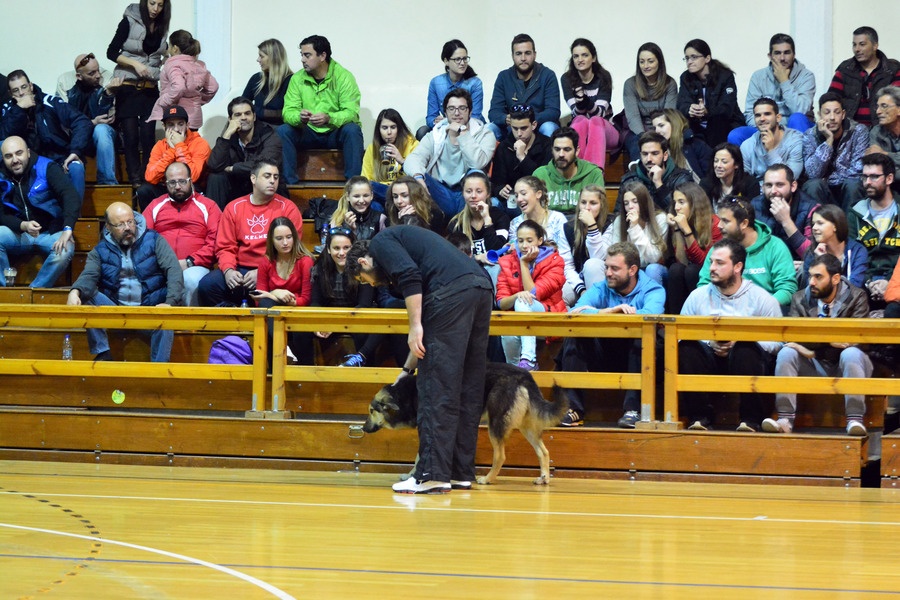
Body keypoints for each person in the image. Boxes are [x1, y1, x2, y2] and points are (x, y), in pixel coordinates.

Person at [347, 226, 494, 494]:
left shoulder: (381, 242)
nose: (373, 284)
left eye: (365, 279)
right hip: (481, 288)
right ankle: (458, 472)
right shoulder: (419, 250)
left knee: (436, 389)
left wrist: (414, 325)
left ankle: (431, 474)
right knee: (466, 387)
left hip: (452, 294)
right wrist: (406, 370)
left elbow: (409, 276)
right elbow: (430, 344)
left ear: (363, 262)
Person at [555, 241, 666, 428]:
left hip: (638, 358)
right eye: (607, 267)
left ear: (632, 270)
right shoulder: (601, 287)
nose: (607, 273)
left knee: (643, 339)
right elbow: (575, 312)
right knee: (575, 335)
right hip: (605, 354)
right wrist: (611, 311)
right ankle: (573, 409)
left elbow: (650, 317)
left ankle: (634, 410)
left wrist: (618, 315)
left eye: (615, 268)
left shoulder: (653, 289)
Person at [680, 238, 783, 431]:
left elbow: (777, 342)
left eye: (719, 263)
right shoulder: (697, 296)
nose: (712, 268)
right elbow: (679, 335)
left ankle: (750, 420)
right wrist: (710, 342)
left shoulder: (762, 298)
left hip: (746, 361)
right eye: (711, 262)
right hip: (709, 359)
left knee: (746, 348)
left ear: (738, 266)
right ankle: (699, 418)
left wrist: (742, 340)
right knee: (686, 347)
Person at [768, 254, 871, 436]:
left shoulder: (857, 297)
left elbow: (857, 340)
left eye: (818, 277)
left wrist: (809, 343)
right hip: (813, 363)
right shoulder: (799, 298)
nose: (812, 282)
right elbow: (794, 337)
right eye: (810, 276)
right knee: (786, 353)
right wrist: (828, 340)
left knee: (851, 353)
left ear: (836, 278)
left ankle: (855, 419)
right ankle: (785, 419)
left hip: (846, 364)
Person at [66, 201, 183, 362]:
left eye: (130, 221)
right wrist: (75, 291)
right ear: (108, 227)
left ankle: (159, 370)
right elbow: (89, 275)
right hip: (116, 312)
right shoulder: (99, 251)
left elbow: (174, 270)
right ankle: (103, 352)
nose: (127, 227)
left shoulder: (154, 240)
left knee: (166, 322)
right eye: (120, 224)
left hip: (149, 312)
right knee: (86, 293)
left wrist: (170, 303)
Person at [198, 160, 302, 307]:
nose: (272, 181)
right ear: (253, 179)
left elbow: (290, 249)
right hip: (240, 269)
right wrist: (228, 271)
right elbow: (225, 247)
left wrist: (262, 271)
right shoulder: (234, 208)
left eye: (276, 177)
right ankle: (233, 323)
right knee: (207, 285)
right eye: (267, 176)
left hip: (275, 269)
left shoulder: (288, 208)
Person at [277, 35, 364, 183]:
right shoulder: (297, 79)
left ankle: (354, 185)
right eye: (302, 55)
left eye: (307, 55)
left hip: (334, 132)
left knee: (353, 130)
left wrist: (329, 118)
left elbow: (351, 112)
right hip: (308, 131)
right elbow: (288, 112)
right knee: (283, 131)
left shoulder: (344, 77)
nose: (302, 60)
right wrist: (299, 117)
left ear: (322, 55)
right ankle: (290, 185)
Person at [107, 0, 171, 190]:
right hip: (128, 85)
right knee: (131, 136)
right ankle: (134, 179)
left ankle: (147, 177)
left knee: (148, 135)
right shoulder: (129, 20)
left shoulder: (162, 25)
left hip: (150, 87)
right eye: (152, 3)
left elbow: (161, 53)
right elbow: (111, 52)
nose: (155, 9)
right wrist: (135, 64)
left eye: (160, 5)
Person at [0, 136, 80, 287]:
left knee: (66, 249)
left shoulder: (46, 167)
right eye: (8, 156)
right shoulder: (1, 176)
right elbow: (1, 215)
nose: (15, 160)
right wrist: (23, 225)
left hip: (50, 233)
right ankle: (4, 292)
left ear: (28, 152)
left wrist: (68, 228)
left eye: (19, 153)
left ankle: (34, 292)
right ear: (3, 158)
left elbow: (70, 195)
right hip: (19, 234)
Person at [403, 88, 495, 216]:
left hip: (467, 194)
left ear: (470, 111)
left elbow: (477, 163)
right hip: (440, 192)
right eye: (451, 109)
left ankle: (461, 223)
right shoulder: (436, 134)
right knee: (414, 177)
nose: (457, 113)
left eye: (462, 108)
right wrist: (418, 177)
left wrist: (463, 133)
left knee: (476, 173)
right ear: (445, 112)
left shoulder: (484, 134)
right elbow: (412, 160)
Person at [1, 70, 91, 199]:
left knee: (76, 168)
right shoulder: (7, 109)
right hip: (26, 165)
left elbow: (82, 121)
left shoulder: (49, 101)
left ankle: (76, 217)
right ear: (10, 94)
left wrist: (75, 151)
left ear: (31, 86)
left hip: (58, 158)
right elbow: (4, 138)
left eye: (24, 87)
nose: (21, 93)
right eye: (16, 90)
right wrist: (19, 110)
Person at [143, 161, 221, 306]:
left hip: (194, 265)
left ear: (191, 181)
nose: (177, 186)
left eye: (182, 181)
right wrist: (162, 263)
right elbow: (143, 240)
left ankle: (188, 328)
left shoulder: (208, 206)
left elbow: (215, 242)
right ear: (165, 184)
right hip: (160, 266)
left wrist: (189, 261)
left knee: (190, 280)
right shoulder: (155, 205)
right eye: (172, 182)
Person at [698, 196, 797, 306]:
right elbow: (704, 285)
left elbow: (787, 289)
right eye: (719, 220)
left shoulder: (775, 247)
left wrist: (763, 307)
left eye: (725, 221)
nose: (719, 225)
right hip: (724, 312)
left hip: (764, 314)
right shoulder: (718, 249)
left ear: (744, 223)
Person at [304, 226, 382, 367]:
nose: (341, 253)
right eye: (336, 248)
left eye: (346, 248)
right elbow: (315, 302)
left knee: (364, 331)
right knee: (301, 331)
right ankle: (306, 373)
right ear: (328, 249)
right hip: (329, 319)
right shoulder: (320, 268)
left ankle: (365, 370)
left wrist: (337, 324)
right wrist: (319, 324)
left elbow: (363, 305)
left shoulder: (362, 267)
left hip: (356, 319)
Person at [496, 220, 565, 371]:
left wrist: (524, 264)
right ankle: (515, 371)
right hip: (519, 318)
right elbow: (501, 302)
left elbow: (534, 294)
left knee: (523, 301)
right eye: (520, 241)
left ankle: (530, 360)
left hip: (548, 315)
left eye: (529, 240)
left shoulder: (555, 261)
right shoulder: (506, 262)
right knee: (508, 329)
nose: (524, 245)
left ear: (540, 241)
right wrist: (515, 296)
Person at [729, 33, 816, 146]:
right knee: (736, 135)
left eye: (787, 52)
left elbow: (801, 110)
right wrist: (767, 129)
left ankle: (796, 162)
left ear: (794, 54)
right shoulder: (758, 76)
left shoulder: (806, 76)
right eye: (777, 53)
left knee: (797, 118)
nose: (782, 58)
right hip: (765, 128)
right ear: (770, 56)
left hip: (794, 128)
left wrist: (784, 82)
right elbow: (750, 112)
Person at [250, 216, 314, 365]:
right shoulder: (266, 261)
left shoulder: (305, 261)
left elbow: (305, 300)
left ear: (295, 237)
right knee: (266, 304)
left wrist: (275, 296)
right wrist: (276, 293)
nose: (285, 243)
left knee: (269, 305)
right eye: (279, 238)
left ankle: (286, 354)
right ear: (271, 240)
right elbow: (259, 299)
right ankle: (281, 355)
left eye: (289, 237)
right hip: (275, 315)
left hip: (298, 313)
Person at [206, 96, 284, 208]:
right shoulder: (229, 137)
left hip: (263, 187)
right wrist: (227, 134)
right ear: (230, 120)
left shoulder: (269, 135)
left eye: (247, 113)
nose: (243, 118)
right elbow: (214, 165)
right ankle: (214, 223)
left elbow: (264, 166)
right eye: (238, 115)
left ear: (254, 117)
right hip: (237, 188)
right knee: (216, 177)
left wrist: (233, 168)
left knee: (264, 176)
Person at [509, 176, 578, 298]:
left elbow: (565, 260)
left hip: (555, 277)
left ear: (538, 194)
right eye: (516, 195)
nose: (519, 199)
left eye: (523, 193)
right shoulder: (515, 223)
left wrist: (578, 285)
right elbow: (513, 262)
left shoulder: (557, 219)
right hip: (524, 279)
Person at [61, 53, 122, 186]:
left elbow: (107, 118)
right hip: (78, 136)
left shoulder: (107, 79)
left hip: (105, 136)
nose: (98, 75)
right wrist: (92, 122)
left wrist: (108, 94)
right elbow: (66, 121)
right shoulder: (65, 83)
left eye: (98, 70)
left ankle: (107, 182)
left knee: (101, 129)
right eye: (92, 73)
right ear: (79, 76)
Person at [136, 105, 211, 210]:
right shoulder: (159, 146)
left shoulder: (200, 143)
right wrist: (172, 151)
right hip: (167, 187)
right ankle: (151, 224)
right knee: (144, 190)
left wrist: (179, 146)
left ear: (187, 125)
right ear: (164, 126)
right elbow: (150, 177)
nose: (176, 129)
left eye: (180, 124)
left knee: (194, 187)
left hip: (190, 187)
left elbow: (193, 177)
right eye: (171, 125)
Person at [801, 92, 868, 209]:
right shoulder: (810, 135)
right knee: (813, 185)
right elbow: (812, 174)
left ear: (843, 114)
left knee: (853, 184)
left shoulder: (858, 131)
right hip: (824, 190)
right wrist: (828, 141)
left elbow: (858, 171)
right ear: (819, 115)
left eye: (837, 112)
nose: (832, 117)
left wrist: (830, 179)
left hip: (848, 188)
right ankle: (819, 225)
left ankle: (851, 226)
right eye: (827, 113)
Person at [848, 153, 899, 304]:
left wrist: (889, 281)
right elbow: (852, 256)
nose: (867, 182)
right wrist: (869, 282)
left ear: (889, 179)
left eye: (874, 177)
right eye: (864, 177)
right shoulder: (855, 213)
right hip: (864, 283)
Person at [560, 38, 620, 170]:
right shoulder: (567, 79)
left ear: (593, 58)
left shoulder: (604, 77)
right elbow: (576, 112)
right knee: (580, 119)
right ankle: (576, 171)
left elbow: (600, 112)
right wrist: (580, 104)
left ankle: (594, 174)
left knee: (595, 120)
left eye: (584, 55)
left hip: (605, 130)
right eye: (576, 56)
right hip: (582, 131)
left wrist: (584, 100)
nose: (580, 59)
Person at [488, 33, 560, 140]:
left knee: (549, 127)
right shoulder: (503, 77)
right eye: (518, 53)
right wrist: (506, 119)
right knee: (489, 129)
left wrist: (528, 120)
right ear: (512, 56)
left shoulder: (548, 75)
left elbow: (553, 111)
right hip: (511, 129)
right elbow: (494, 112)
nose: (523, 58)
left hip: (538, 127)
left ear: (534, 55)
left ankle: (546, 157)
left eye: (527, 53)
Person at [666, 182, 722, 314]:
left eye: (681, 202)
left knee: (692, 271)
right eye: (675, 203)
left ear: (694, 203)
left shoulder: (715, 224)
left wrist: (687, 231)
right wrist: (677, 230)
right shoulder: (680, 222)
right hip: (688, 274)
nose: (676, 207)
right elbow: (682, 261)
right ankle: (675, 323)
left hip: (710, 276)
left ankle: (698, 319)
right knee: (676, 269)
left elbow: (704, 264)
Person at [828, 26, 900, 128]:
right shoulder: (845, 70)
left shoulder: (892, 70)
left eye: (862, 44)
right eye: (854, 45)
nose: (857, 49)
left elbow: (897, 103)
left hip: (884, 130)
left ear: (875, 46)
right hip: (850, 131)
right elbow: (831, 100)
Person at [676, 39, 744, 147]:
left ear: (707, 58)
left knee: (716, 122)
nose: (689, 62)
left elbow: (726, 108)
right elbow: (681, 103)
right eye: (687, 58)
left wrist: (707, 111)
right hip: (697, 124)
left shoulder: (725, 76)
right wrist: (690, 109)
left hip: (724, 124)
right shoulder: (685, 77)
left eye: (694, 57)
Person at [601, 180, 668, 285]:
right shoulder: (620, 221)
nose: (630, 207)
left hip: (654, 269)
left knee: (652, 269)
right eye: (626, 203)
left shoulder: (660, 219)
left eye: (635, 201)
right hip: (629, 270)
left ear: (643, 201)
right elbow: (616, 255)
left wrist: (635, 227)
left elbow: (653, 258)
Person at [148, 30, 218, 129]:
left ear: (175, 48)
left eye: (170, 46)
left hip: (176, 118)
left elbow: (179, 87)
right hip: (194, 118)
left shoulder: (173, 64)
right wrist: (198, 100)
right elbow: (213, 87)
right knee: (192, 144)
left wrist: (164, 101)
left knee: (178, 144)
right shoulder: (199, 64)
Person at [489, 105, 552, 213]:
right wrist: (500, 190)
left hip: (538, 200)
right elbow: (496, 181)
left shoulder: (546, 145)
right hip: (512, 202)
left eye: (523, 128)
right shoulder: (504, 147)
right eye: (515, 128)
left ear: (533, 125)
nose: (519, 133)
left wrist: (522, 157)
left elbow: (543, 181)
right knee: (493, 202)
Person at [622, 42, 678, 161]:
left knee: (675, 140)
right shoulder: (630, 84)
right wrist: (644, 137)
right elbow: (633, 117)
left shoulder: (670, 83)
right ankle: (637, 175)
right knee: (637, 143)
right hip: (637, 131)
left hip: (661, 129)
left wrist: (657, 136)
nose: (645, 65)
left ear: (659, 62)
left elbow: (668, 116)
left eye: (650, 61)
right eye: (642, 62)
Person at [750, 164, 819, 259]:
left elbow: (812, 255)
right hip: (766, 264)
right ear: (762, 187)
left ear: (793, 186)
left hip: (798, 265)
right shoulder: (754, 205)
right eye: (769, 185)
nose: (773, 191)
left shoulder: (810, 208)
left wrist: (786, 221)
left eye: (779, 185)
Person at [532, 127, 605, 214]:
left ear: (577, 151)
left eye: (567, 149)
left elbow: (599, 210)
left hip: (582, 223)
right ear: (552, 150)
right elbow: (532, 210)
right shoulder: (540, 174)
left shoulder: (593, 173)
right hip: (549, 224)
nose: (561, 154)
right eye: (557, 149)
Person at [422, 40, 485, 137]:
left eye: (465, 59)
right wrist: (436, 122)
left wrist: (451, 123)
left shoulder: (475, 83)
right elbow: (430, 117)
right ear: (446, 61)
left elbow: (475, 117)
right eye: (458, 59)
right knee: (423, 131)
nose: (462, 63)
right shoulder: (436, 83)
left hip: (470, 127)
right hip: (446, 125)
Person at [447, 171, 510, 264]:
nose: (473, 196)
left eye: (479, 191)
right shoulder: (456, 224)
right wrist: (478, 258)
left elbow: (497, 252)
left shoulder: (500, 217)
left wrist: (487, 220)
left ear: (488, 193)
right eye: (468, 191)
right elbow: (455, 259)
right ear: (463, 193)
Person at [619, 131, 692, 211]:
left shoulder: (681, 179)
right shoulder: (629, 180)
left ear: (665, 155)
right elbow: (618, 213)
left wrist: (659, 184)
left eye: (655, 153)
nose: (649, 159)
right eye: (645, 154)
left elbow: (681, 212)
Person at [801, 204, 868, 289]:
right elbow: (812, 290)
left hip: (851, 301)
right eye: (813, 224)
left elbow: (854, 288)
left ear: (835, 226)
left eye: (820, 223)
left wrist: (826, 265)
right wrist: (821, 262)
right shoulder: (812, 253)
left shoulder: (857, 251)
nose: (814, 228)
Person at [562, 185, 609, 305]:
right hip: (580, 279)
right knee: (563, 293)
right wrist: (581, 289)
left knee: (592, 265)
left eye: (593, 203)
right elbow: (567, 265)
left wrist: (592, 226)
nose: (587, 208)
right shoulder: (568, 227)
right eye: (583, 202)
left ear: (601, 205)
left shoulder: (611, 224)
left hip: (606, 279)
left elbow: (598, 258)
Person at [740, 97, 805, 182]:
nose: (762, 119)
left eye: (767, 114)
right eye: (758, 115)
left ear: (778, 117)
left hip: (786, 191)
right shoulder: (747, 146)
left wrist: (771, 151)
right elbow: (743, 181)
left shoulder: (795, 140)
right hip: (758, 191)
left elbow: (791, 178)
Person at [362, 108, 418, 205]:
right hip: (381, 193)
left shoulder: (413, 145)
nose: (389, 132)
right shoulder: (372, 149)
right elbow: (365, 179)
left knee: (371, 187)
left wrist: (401, 160)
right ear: (379, 130)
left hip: (405, 193)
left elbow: (418, 178)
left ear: (399, 128)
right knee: (371, 199)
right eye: (384, 128)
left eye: (393, 127)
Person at [242, 39, 293, 126]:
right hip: (256, 126)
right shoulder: (256, 78)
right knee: (234, 122)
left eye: (261, 56)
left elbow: (287, 113)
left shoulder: (291, 80)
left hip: (278, 128)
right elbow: (242, 104)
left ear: (273, 58)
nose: (258, 60)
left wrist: (256, 110)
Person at [651, 108, 712, 181]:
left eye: (661, 125)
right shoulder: (659, 151)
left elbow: (710, 178)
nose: (657, 131)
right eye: (654, 128)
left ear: (674, 124)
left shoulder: (696, 145)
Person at [330, 176, 386, 241]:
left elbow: (383, 247)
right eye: (356, 196)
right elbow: (338, 248)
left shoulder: (380, 219)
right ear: (347, 197)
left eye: (365, 195)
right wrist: (349, 230)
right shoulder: (338, 220)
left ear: (372, 196)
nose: (361, 200)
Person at [868, 86, 900, 181]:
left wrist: (884, 154)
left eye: (884, 106)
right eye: (877, 107)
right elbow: (877, 164)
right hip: (886, 185)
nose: (878, 112)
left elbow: (881, 157)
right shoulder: (876, 131)